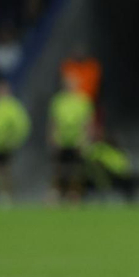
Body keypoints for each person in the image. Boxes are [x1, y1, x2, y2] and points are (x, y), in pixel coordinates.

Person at [49, 72, 95, 203]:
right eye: (67, 83)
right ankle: (58, 193)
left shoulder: (83, 101)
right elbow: (53, 122)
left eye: (72, 83)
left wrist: (86, 139)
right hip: (62, 140)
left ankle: (74, 194)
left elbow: (88, 122)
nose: (70, 86)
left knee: (76, 169)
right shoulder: (58, 101)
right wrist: (53, 137)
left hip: (77, 141)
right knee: (60, 168)